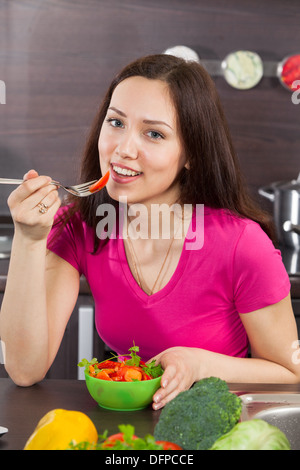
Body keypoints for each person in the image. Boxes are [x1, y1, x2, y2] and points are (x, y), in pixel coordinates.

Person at [0, 54, 299, 410]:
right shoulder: (80, 227)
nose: (123, 150)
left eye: (154, 133)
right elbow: (24, 369)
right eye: (116, 123)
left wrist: (200, 365)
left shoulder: (242, 244)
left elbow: (289, 371)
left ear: (192, 154)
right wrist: (30, 238)